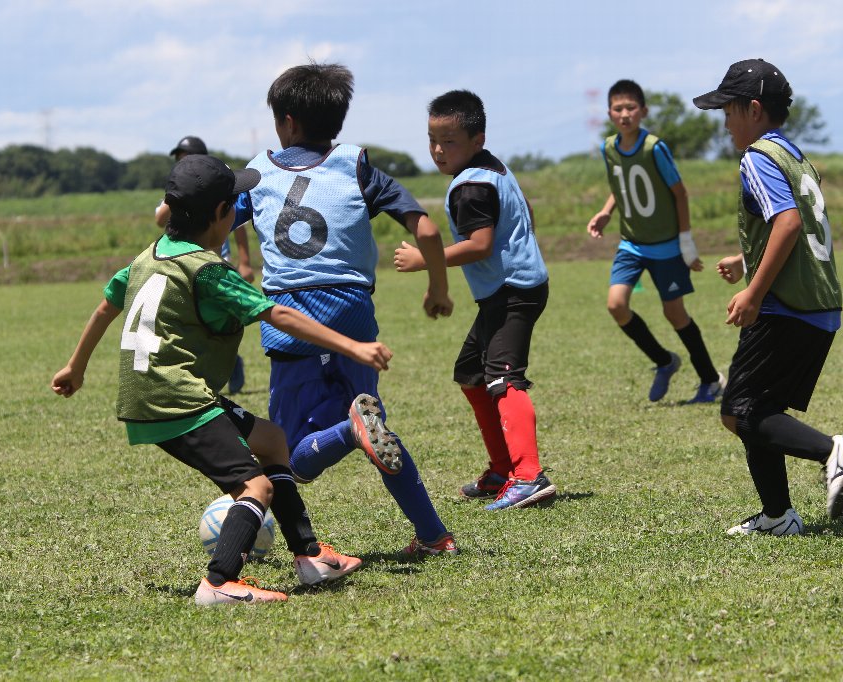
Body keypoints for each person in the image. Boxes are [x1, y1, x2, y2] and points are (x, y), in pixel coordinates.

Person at [52, 154, 391, 604]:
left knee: (271, 440)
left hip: (158, 392)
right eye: (235, 204)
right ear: (220, 214)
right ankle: (218, 583)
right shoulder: (208, 270)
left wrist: (75, 366)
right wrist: (352, 346)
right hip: (175, 397)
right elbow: (277, 314)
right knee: (255, 487)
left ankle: (309, 556)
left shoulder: (147, 258)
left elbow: (105, 307)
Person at [241, 62, 459, 557]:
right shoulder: (355, 165)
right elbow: (426, 229)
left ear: (287, 122)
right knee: (377, 425)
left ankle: (348, 430)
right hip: (353, 313)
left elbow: (210, 222)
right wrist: (438, 289)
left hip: (291, 317)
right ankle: (433, 535)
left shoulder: (258, 172)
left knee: (288, 458)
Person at [694, 59, 843, 535]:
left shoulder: (757, 157)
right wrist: (747, 259)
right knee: (754, 409)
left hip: (786, 305)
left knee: (738, 412)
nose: (725, 123)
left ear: (753, 109)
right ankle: (778, 516)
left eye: (728, 112)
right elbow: (797, 222)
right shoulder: (794, 155)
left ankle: (834, 452)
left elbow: (789, 222)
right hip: (819, 304)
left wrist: (753, 292)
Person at [394, 89, 557, 510]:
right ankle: (502, 469)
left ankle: (528, 476)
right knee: (471, 373)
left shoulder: (470, 187)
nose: (437, 150)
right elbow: (525, 213)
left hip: (512, 292)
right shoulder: (492, 168)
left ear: (476, 139)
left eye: (448, 142)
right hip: (511, 289)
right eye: (432, 140)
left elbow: (480, 245)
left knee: (504, 378)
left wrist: (424, 260)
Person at [587, 79, 724, 404]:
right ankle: (664, 361)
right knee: (616, 305)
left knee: (674, 313)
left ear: (643, 111)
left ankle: (710, 381)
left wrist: (686, 242)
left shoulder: (654, 148)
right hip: (631, 244)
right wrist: (606, 211)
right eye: (618, 109)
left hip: (667, 247)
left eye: (631, 108)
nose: (624, 114)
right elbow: (620, 185)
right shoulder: (608, 148)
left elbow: (680, 193)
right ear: (609, 113)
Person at [156, 135, 253, 394]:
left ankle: (229, 361)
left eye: (186, 157)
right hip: (185, 263)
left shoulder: (217, 186)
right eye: (179, 160)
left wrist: (245, 262)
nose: (182, 162)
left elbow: (239, 225)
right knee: (195, 320)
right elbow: (159, 219)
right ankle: (215, 367)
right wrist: (176, 195)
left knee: (217, 320)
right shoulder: (179, 187)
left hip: (218, 260)